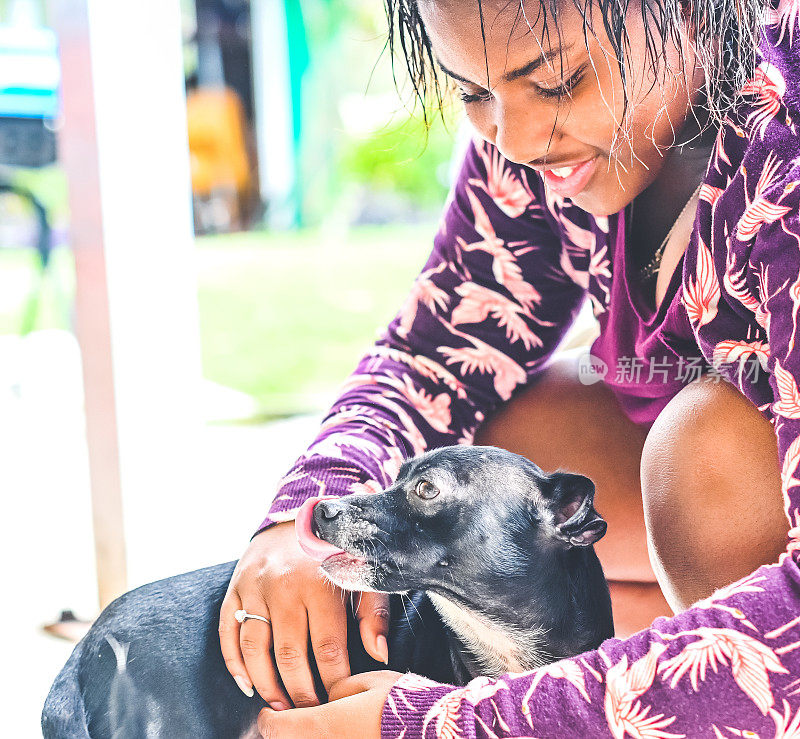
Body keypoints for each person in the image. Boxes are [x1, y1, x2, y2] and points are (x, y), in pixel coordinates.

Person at [221, 0, 800, 734]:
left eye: (556, 82)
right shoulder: (534, 140)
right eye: (473, 90)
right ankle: (648, 679)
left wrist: (448, 723)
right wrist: (302, 517)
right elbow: (432, 358)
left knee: (703, 454)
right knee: (478, 465)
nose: (519, 138)